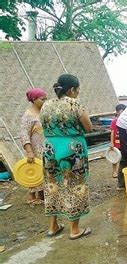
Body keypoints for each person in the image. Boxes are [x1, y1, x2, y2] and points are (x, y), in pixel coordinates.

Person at [40, 74, 93, 240]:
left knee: (51, 184)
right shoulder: (75, 103)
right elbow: (89, 128)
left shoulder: (46, 105)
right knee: (74, 185)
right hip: (71, 149)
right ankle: (74, 230)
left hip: (49, 148)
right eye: (78, 89)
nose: (78, 93)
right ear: (72, 89)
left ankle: (52, 227)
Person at [20, 88, 48, 205]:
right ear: (34, 99)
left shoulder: (43, 111)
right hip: (35, 148)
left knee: (44, 171)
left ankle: (42, 195)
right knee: (34, 171)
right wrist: (29, 151)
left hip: (45, 147)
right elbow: (24, 133)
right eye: (42, 99)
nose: (45, 101)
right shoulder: (28, 115)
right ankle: (32, 197)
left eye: (46, 98)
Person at [110, 104, 126, 178]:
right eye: (121, 111)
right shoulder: (114, 121)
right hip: (116, 143)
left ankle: (123, 171)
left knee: (124, 158)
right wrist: (112, 143)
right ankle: (114, 172)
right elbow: (112, 132)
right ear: (117, 112)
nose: (123, 113)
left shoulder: (126, 121)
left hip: (123, 143)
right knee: (115, 158)